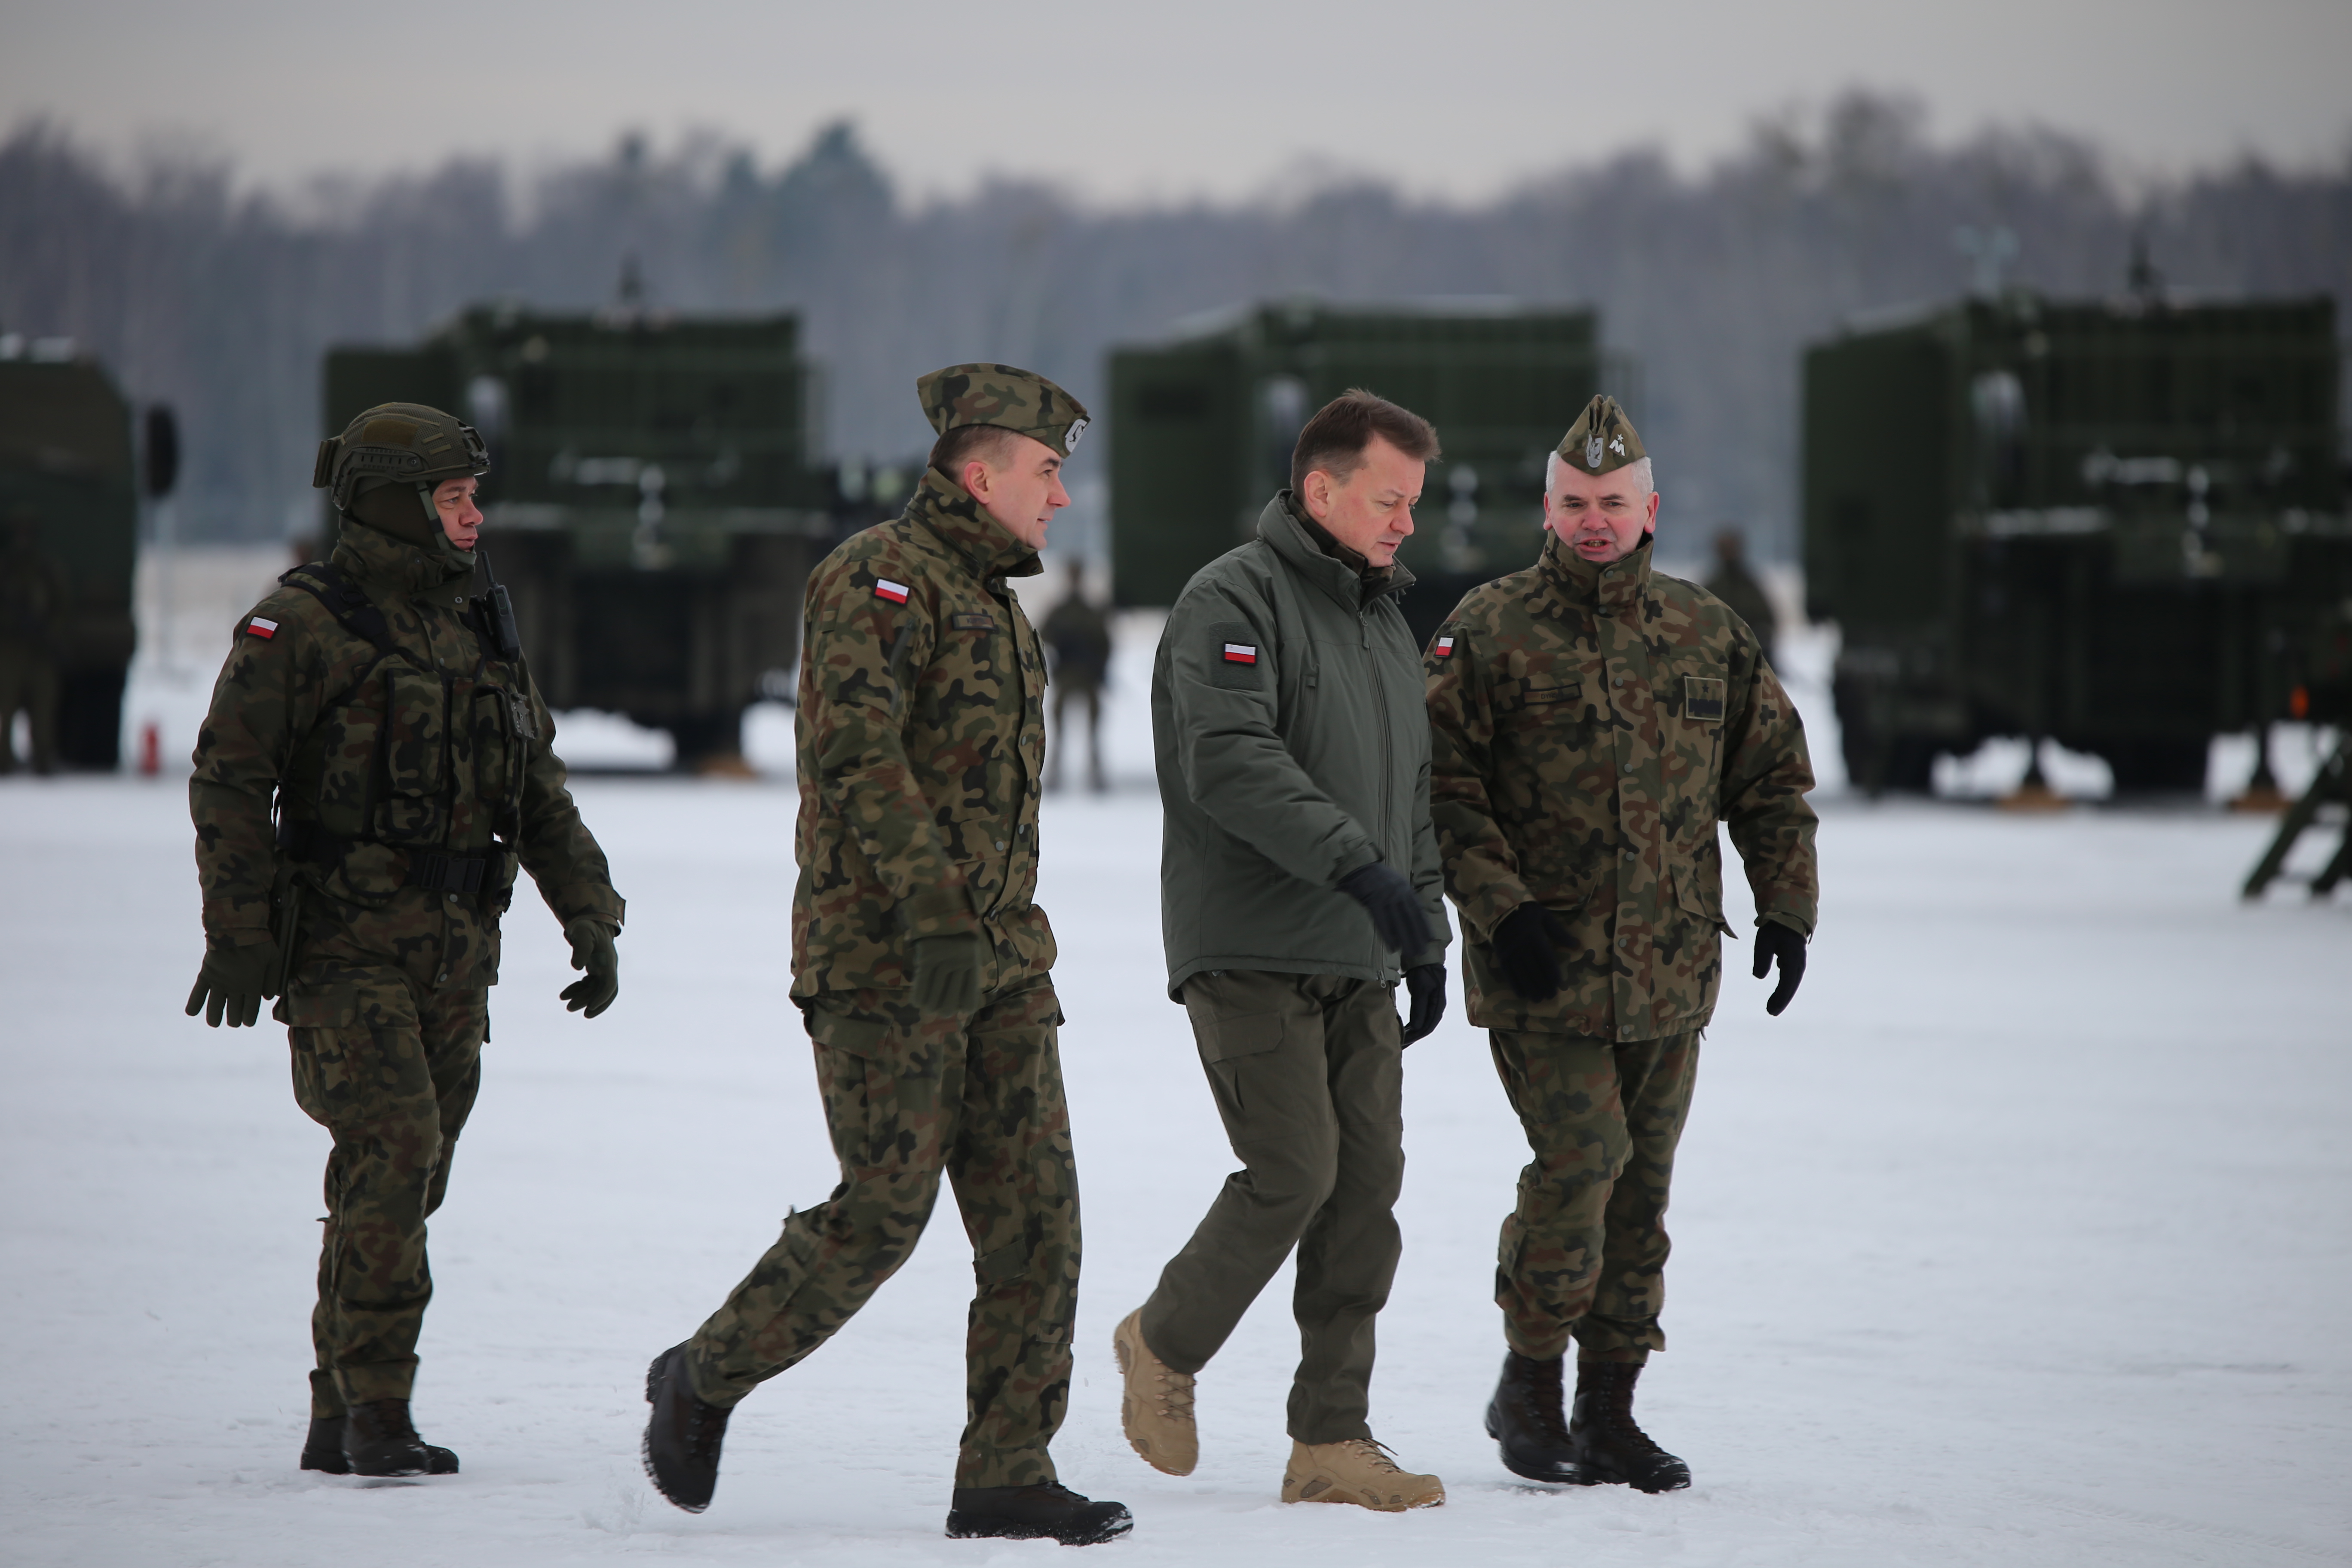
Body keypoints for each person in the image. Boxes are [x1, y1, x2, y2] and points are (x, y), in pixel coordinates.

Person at [640, 364, 1130, 1548]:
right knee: (885, 1211)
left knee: (1038, 1223)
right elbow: (858, 762)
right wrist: (937, 920)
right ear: (982, 470)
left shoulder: (997, 602)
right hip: (887, 962)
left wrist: (990, 936)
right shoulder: (876, 581)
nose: (1062, 497)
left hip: (1004, 962)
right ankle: (703, 1376)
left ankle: (1007, 1466)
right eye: (1047, 472)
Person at [185, 402, 626, 1478]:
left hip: (454, 958)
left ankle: (337, 1410)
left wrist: (591, 915)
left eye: (475, 498)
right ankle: (379, 1413)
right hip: (344, 952)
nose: (476, 518)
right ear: (394, 503)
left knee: (400, 1184)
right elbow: (229, 779)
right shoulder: (302, 626)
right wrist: (239, 933)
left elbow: (536, 792)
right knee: (394, 1156)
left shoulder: (476, 628)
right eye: (454, 499)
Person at [1424, 395, 1818, 1494]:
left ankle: (1609, 1411)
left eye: (1611, 504)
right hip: (1538, 964)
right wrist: (1501, 908)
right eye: (1573, 504)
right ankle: (1529, 1381)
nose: (1592, 522)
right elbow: (1441, 786)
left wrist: (1785, 906)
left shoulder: (1704, 631)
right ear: (1546, 511)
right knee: (1580, 1163)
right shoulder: (1488, 629)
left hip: (1668, 968)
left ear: (1649, 509)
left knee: (1639, 1188)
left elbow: (1770, 783)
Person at [1114, 389, 1451, 1514]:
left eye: (1416, 500)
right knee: (1294, 1174)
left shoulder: (1384, 623)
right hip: (1250, 942)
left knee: (1366, 1193)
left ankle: (1330, 1443)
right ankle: (1162, 1344)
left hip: (1359, 951)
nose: (1409, 521)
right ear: (1323, 490)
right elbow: (1231, 760)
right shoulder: (1230, 599)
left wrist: (1427, 932)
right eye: (1390, 499)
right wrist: (1359, 866)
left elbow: (1415, 801)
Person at [0, 511, 66, 774]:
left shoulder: (46, 569)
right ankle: (4, 760)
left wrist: (48, 632)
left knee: (43, 712)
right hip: (11, 650)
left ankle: (43, 759)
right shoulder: (6, 570)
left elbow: (61, 608)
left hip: (40, 652)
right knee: (7, 708)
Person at [1040, 559, 1112, 792]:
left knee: (1093, 732)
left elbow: (1105, 644)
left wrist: (1100, 667)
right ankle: (1055, 775)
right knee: (1059, 731)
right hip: (1067, 675)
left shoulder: (1091, 610)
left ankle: (1096, 776)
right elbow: (1043, 635)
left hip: (1088, 677)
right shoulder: (1060, 610)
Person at [1703, 527, 1779, 664]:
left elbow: (1768, 621)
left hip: (1750, 659)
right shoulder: (1711, 587)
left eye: (1731, 548)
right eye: (1725, 548)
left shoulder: (1750, 585)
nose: (1729, 552)